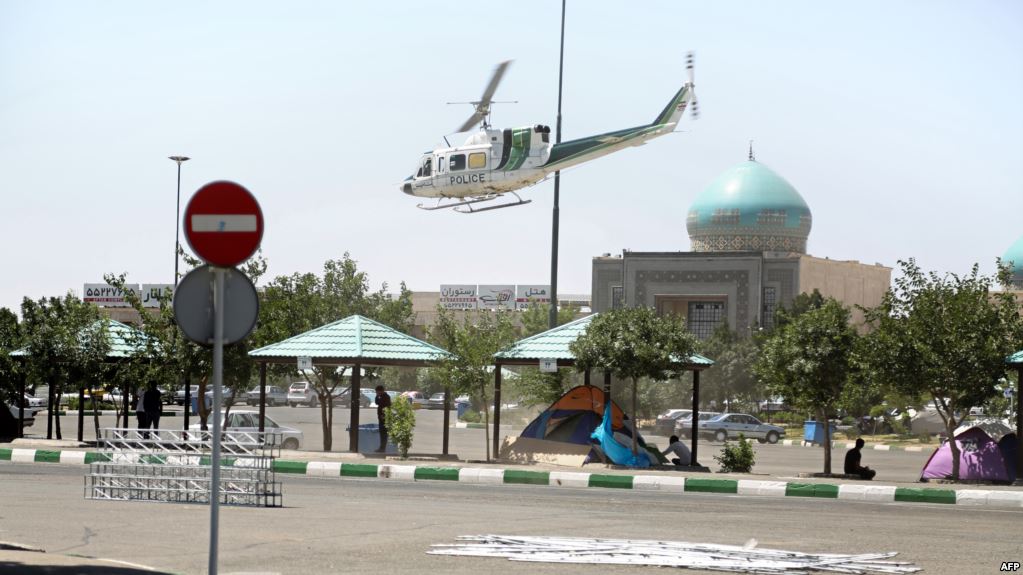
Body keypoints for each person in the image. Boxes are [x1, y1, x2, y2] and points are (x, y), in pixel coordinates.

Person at [374, 385, 391, 453]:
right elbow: (376, 402)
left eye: (377, 392)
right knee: (382, 433)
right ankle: (381, 448)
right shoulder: (380, 396)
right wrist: (377, 395)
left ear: (381, 391)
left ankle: (382, 448)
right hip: (381, 417)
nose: (377, 393)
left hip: (384, 417)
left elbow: (387, 407)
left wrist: (384, 415)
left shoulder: (386, 397)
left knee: (384, 433)